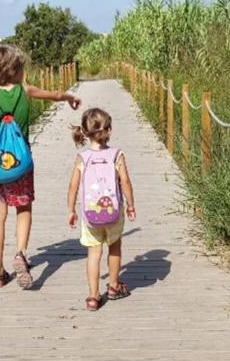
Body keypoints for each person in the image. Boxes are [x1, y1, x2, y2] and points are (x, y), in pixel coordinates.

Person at [0, 45, 81, 288]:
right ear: (15, 71)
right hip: (22, 165)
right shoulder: (25, 90)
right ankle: (21, 254)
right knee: (23, 209)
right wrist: (69, 98)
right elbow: (53, 95)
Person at [66, 108, 136, 311]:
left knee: (93, 253)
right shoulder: (116, 155)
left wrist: (71, 210)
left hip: (90, 215)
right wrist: (130, 205)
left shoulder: (82, 158)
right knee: (114, 246)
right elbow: (126, 183)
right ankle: (114, 287)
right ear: (109, 130)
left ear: (86, 133)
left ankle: (93, 297)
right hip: (114, 212)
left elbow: (73, 186)